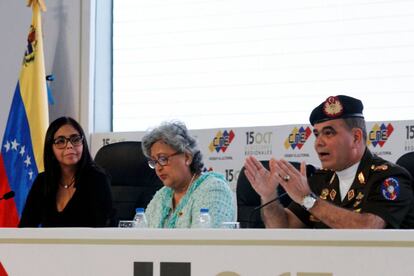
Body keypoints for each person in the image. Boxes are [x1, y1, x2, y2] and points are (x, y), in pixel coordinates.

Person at [245, 95, 414, 228]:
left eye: (329, 133)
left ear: (356, 137)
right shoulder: (320, 180)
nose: (319, 142)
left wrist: (308, 200)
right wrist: (268, 195)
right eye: (317, 134)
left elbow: (368, 228)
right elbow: (283, 228)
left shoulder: (389, 178)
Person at [19, 117, 113, 227]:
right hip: (51, 244)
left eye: (75, 139)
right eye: (60, 141)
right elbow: (25, 227)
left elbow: (105, 228)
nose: (69, 146)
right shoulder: (42, 181)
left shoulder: (97, 180)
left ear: (83, 143)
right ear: (51, 148)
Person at [141, 121, 235, 228]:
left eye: (163, 158)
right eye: (154, 162)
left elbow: (205, 241)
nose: (158, 167)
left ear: (187, 157)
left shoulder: (214, 189)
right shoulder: (162, 195)